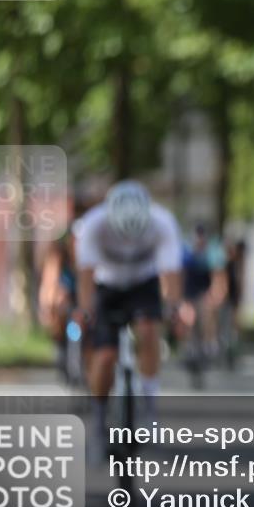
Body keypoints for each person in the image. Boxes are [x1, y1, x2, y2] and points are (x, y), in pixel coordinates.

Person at [73, 180, 186, 452]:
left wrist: (174, 309)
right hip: (106, 285)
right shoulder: (92, 224)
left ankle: (148, 407)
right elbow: (86, 277)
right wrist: (85, 312)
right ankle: (99, 422)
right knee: (104, 356)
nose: (127, 244)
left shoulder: (163, 222)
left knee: (148, 330)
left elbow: (171, 274)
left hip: (142, 283)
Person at [181, 223, 228, 358]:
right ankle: (189, 346)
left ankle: (209, 344)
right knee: (188, 317)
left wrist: (216, 295)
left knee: (207, 313)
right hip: (190, 287)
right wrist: (182, 300)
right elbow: (181, 275)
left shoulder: (212, 251)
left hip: (205, 286)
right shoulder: (187, 251)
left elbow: (217, 275)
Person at [38, 231, 77, 378]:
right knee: (59, 304)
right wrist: (47, 308)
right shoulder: (57, 257)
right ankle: (61, 344)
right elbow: (50, 283)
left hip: (83, 294)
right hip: (64, 294)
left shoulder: (90, 255)